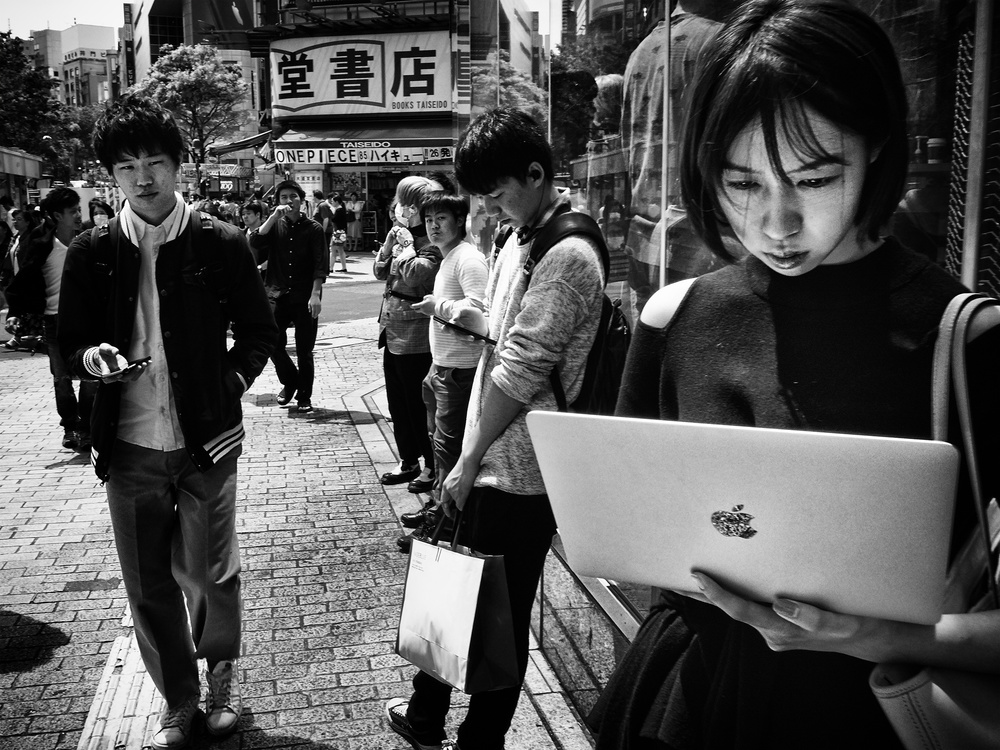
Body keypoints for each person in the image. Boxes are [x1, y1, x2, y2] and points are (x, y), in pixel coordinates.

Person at [588, 2, 1000, 747]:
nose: (776, 223)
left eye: (813, 178)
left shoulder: (968, 341)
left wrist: (881, 634)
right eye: (741, 184)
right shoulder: (674, 320)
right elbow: (635, 540)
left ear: (876, 148)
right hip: (689, 701)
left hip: (866, 717)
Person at [57, 92, 278, 750]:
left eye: (155, 161)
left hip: (207, 441)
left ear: (178, 166)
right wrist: (91, 359)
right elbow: (70, 344)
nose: (143, 177)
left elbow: (261, 332)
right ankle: (179, 702)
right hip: (126, 447)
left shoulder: (221, 243)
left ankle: (221, 688)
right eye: (127, 167)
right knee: (148, 581)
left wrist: (231, 382)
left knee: (209, 572)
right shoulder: (91, 253)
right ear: (110, 176)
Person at [384, 108, 605, 750]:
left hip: (524, 471)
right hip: (493, 460)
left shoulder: (567, 255)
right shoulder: (520, 239)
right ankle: (428, 715)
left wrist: (465, 456)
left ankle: (481, 738)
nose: (495, 208)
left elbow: (522, 368)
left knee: (497, 615)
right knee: (460, 588)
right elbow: (501, 336)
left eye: (500, 192)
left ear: (536, 174)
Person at [620, 0, 742, 321]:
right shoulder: (720, 42)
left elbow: (627, 149)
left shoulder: (639, 54)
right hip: (700, 243)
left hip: (645, 239)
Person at [398, 191, 488, 551]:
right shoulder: (449, 256)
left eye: (442, 219)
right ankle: (439, 507)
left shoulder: (468, 259)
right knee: (439, 445)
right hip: (442, 366)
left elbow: (479, 312)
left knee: (450, 450)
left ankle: (449, 527)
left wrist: (439, 306)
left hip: (460, 371)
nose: (434, 226)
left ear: (460, 221)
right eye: (430, 220)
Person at [4, 187, 97, 449]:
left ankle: (86, 427)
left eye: (79, 210)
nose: (78, 215)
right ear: (57, 215)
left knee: (92, 376)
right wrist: (15, 313)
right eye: (72, 212)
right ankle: (70, 427)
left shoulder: (90, 240)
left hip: (86, 319)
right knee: (61, 378)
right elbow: (23, 281)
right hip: (53, 320)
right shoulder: (42, 244)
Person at [374, 176, 443, 489]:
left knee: (419, 406)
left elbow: (416, 276)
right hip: (391, 329)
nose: (400, 209)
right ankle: (408, 459)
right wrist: (390, 244)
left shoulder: (430, 242)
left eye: (408, 204)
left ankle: (431, 466)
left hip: (416, 335)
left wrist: (405, 243)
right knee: (397, 402)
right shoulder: (400, 236)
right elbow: (378, 271)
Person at [249, 180, 327, 414]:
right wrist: (272, 217)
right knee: (271, 341)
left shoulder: (313, 229)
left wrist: (315, 295)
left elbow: (320, 265)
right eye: (283, 197)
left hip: (304, 296)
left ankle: (304, 395)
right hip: (276, 292)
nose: (288, 201)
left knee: (305, 350)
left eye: (293, 196)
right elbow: (255, 241)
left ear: (301, 200)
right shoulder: (275, 225)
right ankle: (290, 380)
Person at [329, 193, 350, 273]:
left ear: (337, 202)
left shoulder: (338, 210)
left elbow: (334, 220)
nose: (332, 203)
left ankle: (330, 268)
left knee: (333, 250)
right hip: (342, 232)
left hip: (337, 232)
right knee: (340, 250)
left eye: (333, 201)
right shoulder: (342, 209)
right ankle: (344, 267)